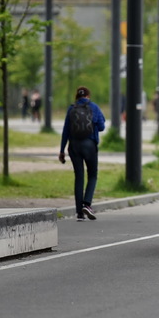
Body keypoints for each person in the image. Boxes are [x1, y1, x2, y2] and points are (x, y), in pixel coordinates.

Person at [58, 86, 106, 221]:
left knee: (79, 177)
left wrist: (62, 150)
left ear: (77, 97)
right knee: (92, 175)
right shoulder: (94, 107)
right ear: (88, 96)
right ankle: (87, 204)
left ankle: (79, 212)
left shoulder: (71, 109)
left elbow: (65, 131)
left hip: (74, 146)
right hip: (89, 145)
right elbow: (102, 127)